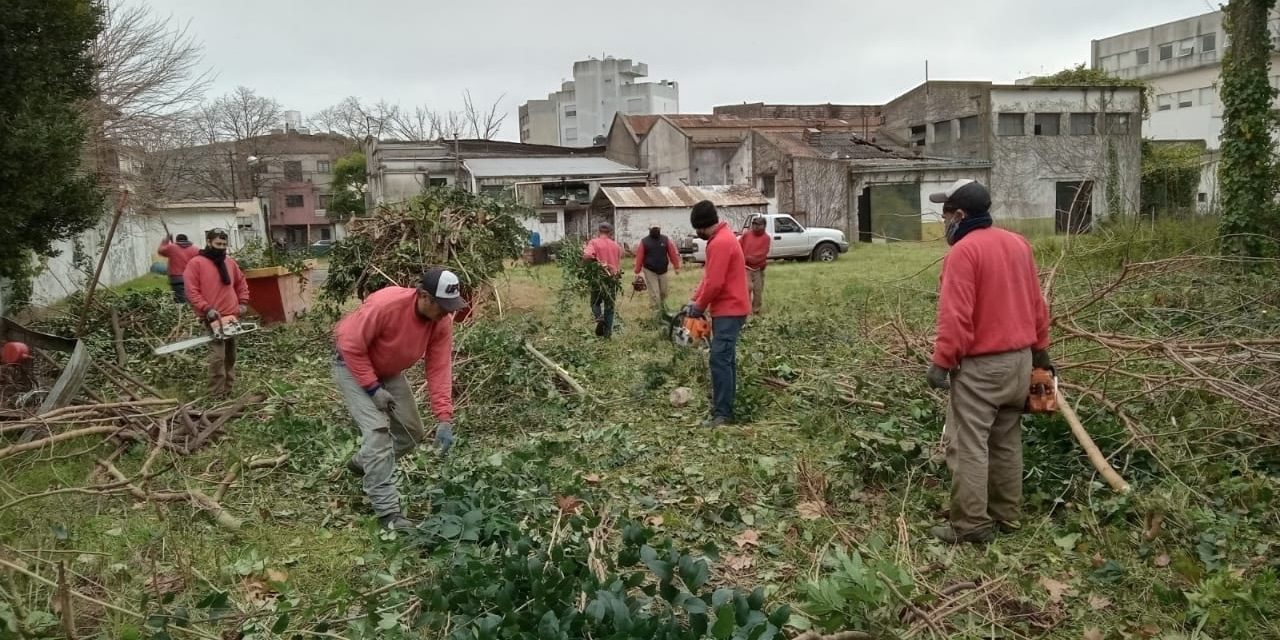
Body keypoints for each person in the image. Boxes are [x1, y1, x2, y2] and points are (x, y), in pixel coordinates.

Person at [925, 179, 1051, 544]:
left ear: (960, 215)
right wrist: (1041, 354)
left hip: (983, 369)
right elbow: (1037, 305)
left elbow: (956, 317)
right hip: (1021, 362)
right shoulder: (1018, 244)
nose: (944, 222)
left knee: (968, 445)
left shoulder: (963, 253)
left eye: (946, 214)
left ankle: (971, 526)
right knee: (1007, 441)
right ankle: (1007, 515)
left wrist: (941, 363)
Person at [333, 268, 464, 531]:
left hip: (389, 371)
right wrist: (372, 389)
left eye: (451, 307)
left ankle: (364, 462)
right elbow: (349, 344)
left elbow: (439, 367)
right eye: (442, 306)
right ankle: (388, 514)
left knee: (411, 432)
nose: (447, 313)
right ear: (424, 296)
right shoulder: (386, 304)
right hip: (352, 366)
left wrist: (444, 417)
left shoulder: (441, 321)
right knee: (378, 431)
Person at [686, 201, 750, 427]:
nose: (697, 233)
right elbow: (708, 279)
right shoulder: (723, 238)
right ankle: (724, 403)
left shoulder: (720, 243)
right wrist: (694, 300)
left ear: (702, 226)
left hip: (729, 309)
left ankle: (723, 414)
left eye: (697, 229)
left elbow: (715, 283)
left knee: (720, 360)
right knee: (726, 359)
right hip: (730, 308)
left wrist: (700, 307)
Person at [183, 228, 250, 396]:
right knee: (217, 356)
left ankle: (228, 388)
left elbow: (241, 283)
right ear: (209, 242)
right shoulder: (196, 263)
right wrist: (206, 308)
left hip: (231, 316)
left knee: (230, 355)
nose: (221, 247)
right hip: (212, 316)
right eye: (218, 244)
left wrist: (242, 302)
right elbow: (192, 290)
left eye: (224, 244)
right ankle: (216, 392)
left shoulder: (229, 262)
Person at [583, 222, 622, 338]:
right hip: (612, 278)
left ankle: (599, 317)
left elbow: (587, 256)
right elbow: (618, 263)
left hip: (598, 277)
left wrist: (587, 264)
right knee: (610, 306)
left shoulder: (594, 242)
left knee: (595, 303)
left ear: (599, 231)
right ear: (610, 233)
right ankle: (608, 333)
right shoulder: (616, 246)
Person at [632, 221, 681, 312]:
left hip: (663, 270)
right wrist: (637, 271)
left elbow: (672, 254)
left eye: (657, 228)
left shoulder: (665, 240)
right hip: (650, 271)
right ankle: (655, 312)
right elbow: (640, 256)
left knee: (663, 292)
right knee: (655, 293)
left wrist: (676, 266)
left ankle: (662, 310)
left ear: (660, 229)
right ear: (650, 230)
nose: (655, 230)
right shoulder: (644, 241)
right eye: (653, 228)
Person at [739, 216, 771, 315]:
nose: (756, 227)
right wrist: (743, 259)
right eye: (754, 224)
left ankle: (756, 310)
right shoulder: (746, 235)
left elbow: (762, 254)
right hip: (746, 267)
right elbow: (738, 247)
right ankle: (746, 310)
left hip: (758, 268)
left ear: (764, 226)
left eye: (759, 225)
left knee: (758, 290)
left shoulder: (766, 238)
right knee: (747, 289)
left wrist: (750, 258)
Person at [158, 233, 199, 304]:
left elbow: (161, 251)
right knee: (192, 298)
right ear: (187, 240)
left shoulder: (172, 248)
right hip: (191, 278)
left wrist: (166, 241)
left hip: (176, 279)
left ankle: (183, 312)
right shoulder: (195, 249)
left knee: (179, 301)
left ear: (176, 240)